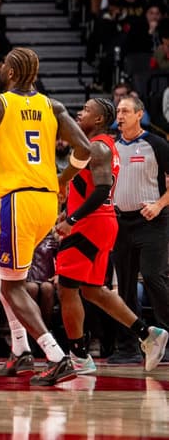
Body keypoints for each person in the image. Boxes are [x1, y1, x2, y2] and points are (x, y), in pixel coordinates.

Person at [0, 47, 92, 386]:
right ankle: (19, 349)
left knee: (12, 284)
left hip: (17, 200)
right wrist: (64, 178)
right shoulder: (53, 106)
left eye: (5, 64)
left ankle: (55, 355)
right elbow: (84, 149)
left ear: (9, 72)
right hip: (46, 201)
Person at [55, 98, 168, 373]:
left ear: (97, 120)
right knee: (92, 290)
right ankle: (147, 335)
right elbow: (89, 186)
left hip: (91, 225)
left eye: (86, 110)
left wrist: (73, 218)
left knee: (66, 288)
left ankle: (79, 356)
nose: (80, 112)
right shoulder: (103, 145)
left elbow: (103, 189)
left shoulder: (98, 146)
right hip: (103, 223)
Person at [109, 95, 169, 364]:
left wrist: (158, 205)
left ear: (139, 114)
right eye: (118, 111)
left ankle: (167, 341)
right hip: (120, 222)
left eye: (125, 111)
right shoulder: (110, 146)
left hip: (152, 222)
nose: (119, 115)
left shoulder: (156, 144)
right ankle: (129, 346)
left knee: (154, 278)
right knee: (125, 286)